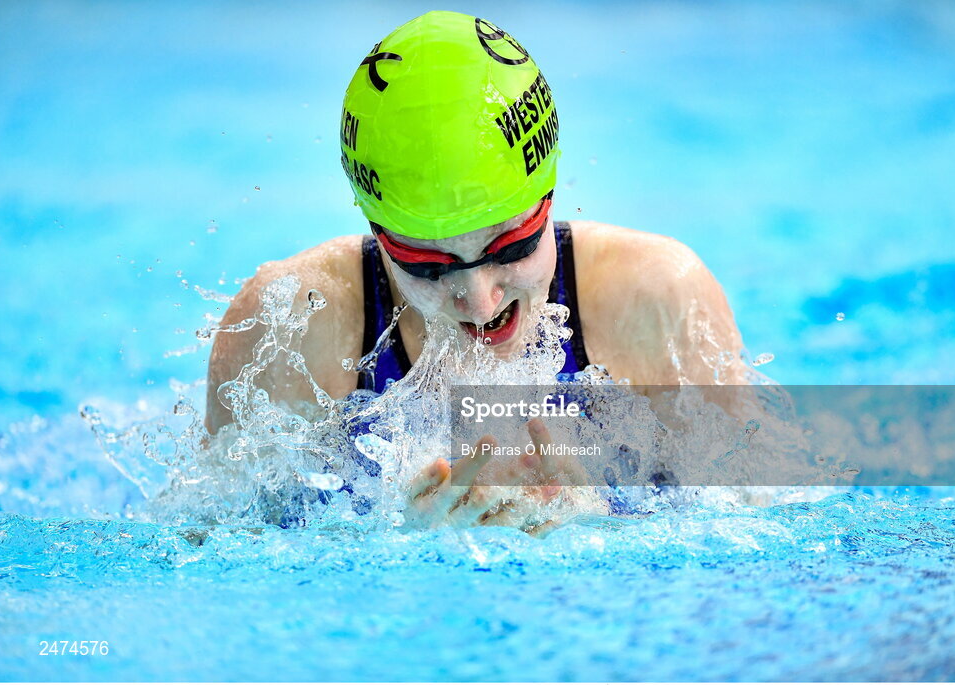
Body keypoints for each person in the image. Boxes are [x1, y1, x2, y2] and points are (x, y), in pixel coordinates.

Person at [205, 11, 747, 531]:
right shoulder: (290, 330)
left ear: (550, 198)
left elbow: (746, 541)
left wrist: (590, 520)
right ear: (378, 235)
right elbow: (215, 557)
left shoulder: (655, 301)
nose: (481, 302)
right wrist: (394, 543)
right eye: (427, 266)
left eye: (510, 247)